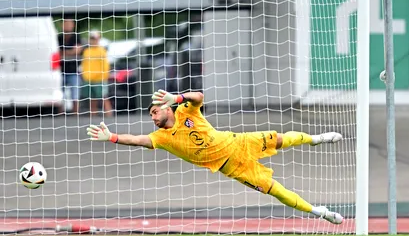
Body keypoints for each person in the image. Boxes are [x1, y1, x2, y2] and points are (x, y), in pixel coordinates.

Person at [86, 89, 344, 224]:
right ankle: (319, 211)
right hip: (231, 167)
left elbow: (199, 96)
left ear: (167, 108)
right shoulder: (161, 139)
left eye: (154, 112)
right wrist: (112, 137)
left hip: (238, 142)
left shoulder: (187, 112)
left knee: (280, 138)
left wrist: (176, 96)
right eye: (151, 115)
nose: (153, 117)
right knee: (275, 191)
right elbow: (138, 140)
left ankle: (316, 138)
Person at [80, 30, 113, 117]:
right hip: (89, 79)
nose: (93, 40)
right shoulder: (87, 51)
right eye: (92, 38)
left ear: (98, 39)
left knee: (104, 97)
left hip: (100, 78)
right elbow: (84, 64)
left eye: (95, 38)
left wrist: (104, 75)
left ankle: (109, 115)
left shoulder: (102, 51)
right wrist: (85, 75)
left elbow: (105, 65)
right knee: (92, 99)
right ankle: (93, 115)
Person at [58, 17, 82, 114]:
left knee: (75, 95)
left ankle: (75, 114)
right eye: (65, 23)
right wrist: (71, 51)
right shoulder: (58, 37)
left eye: (69, 23)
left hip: (73, 71)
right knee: (59, 94)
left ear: (73, 25)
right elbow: (56, 52)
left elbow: (78, 50)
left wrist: (64, 52)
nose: (67, 25)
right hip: (60, 71)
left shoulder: (77, 37)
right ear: (62, 25)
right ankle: (59, 115)